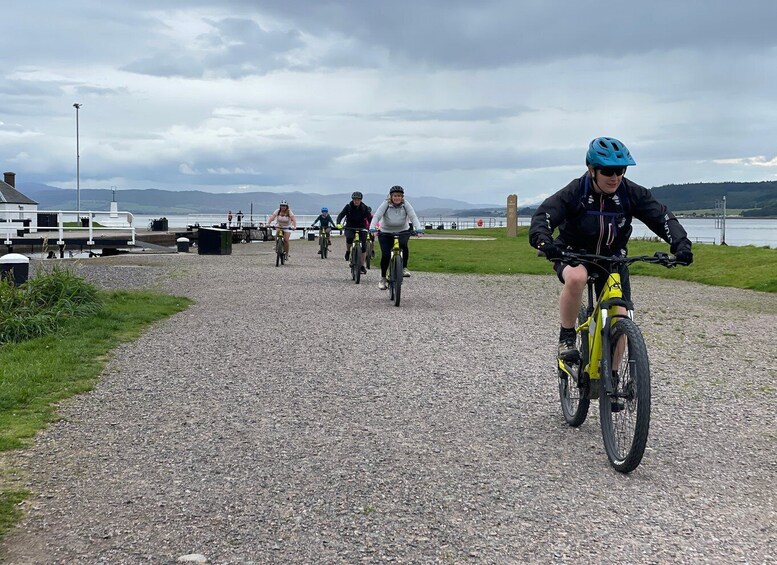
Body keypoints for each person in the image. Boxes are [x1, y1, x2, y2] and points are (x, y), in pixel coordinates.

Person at [528, 136, 694, 361]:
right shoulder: (576, 191)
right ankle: (567, 336)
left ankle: (614, 385)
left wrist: (680, 243)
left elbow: (662, 217)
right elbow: (544, 215)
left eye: (620, 170)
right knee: (576, 278)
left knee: (621, 316)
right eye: (608, 171)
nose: (615, 177)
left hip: (613, 257)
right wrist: (544, 242)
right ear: (592, 169)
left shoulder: (631, 193)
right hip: (573, 251)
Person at [369, 185, 424, 290]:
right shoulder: (386, 204)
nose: (397, 198)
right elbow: (377, 216)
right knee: (385, 255)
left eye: (399, 196)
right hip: (385, 232)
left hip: (402, 231)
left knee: (403, 245)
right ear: (391, 196)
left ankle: (404, 268)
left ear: (402, 197)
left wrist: (418, 229)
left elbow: (413, 216)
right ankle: (383, 278)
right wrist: (372, 228)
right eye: (395, 196)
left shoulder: (405, 204)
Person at [336, 191, 372, 274]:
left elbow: (369, 218)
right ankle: (348, 251)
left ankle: (362, 265)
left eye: (358, 200)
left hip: (361, 227)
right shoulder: (348, 207)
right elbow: (341, 215)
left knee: (363, 246)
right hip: (350, 226)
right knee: (349, 239)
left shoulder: (364, 207)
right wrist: (338, 223)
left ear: (361, 200)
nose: (356, 201)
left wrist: (372, 226)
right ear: (352, 200)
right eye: (355, 199)